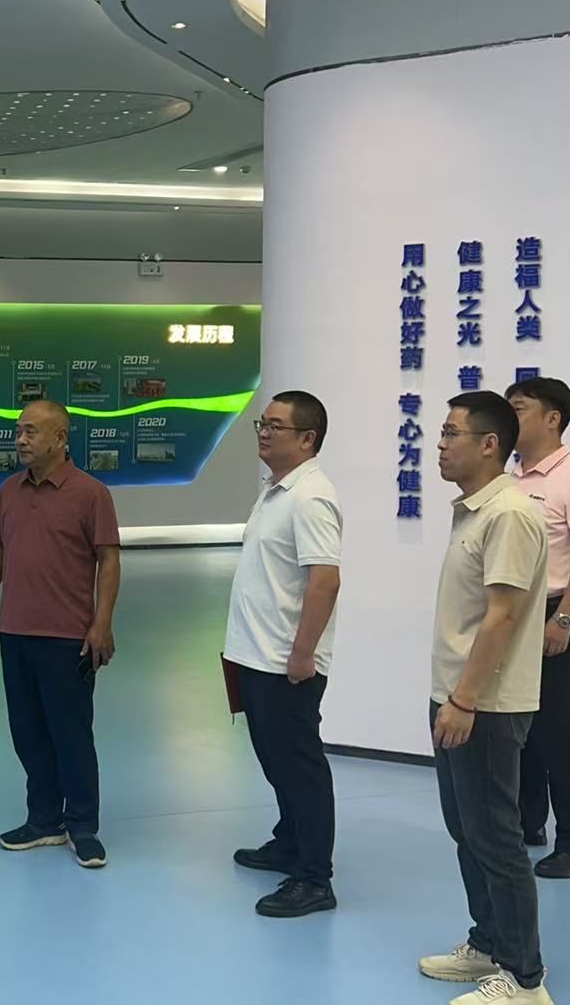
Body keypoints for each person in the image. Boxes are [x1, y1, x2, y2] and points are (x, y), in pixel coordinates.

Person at [420, 391, 554, 1005]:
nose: (441, 444)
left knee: (496, 838)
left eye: (452, 434)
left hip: (486, 706)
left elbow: (502, 616)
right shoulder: (475, 510)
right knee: (467, 831)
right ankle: (490, 942)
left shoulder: (510, 514)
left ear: (490, 444)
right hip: (456, 696)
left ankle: (525, 979)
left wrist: (466, 700)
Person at [0, 400, 121, 870]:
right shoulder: (9, 491)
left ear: (60, 438)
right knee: (28, 732)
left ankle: (83, 826)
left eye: (31, 432)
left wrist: (102, 622)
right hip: (16, 633)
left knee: (71, 734)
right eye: (19, 431)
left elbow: (109, 560)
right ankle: (43, 819)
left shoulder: (91, 493)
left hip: (67, 638)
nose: (20, 439)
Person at [223, 391, 343, 918]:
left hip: (284, 663)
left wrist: (303, 653)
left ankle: (314, 878)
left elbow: (325, 579)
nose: (264, 433)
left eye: (276, 426)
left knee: (299, 767)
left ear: (307, 439)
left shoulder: (311, 497)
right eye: (262, 424)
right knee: (275, 760)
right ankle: (290, 840)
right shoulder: (277, 490)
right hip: (255, 655)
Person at [506, 378, 570, 880]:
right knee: (517, 726)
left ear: (553, 418)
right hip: (514, 615)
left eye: (519, 409)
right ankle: (527, 823)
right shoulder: (510, 478)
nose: (509, 417)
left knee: (563, 732)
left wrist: (564, 618)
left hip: (555, 614)